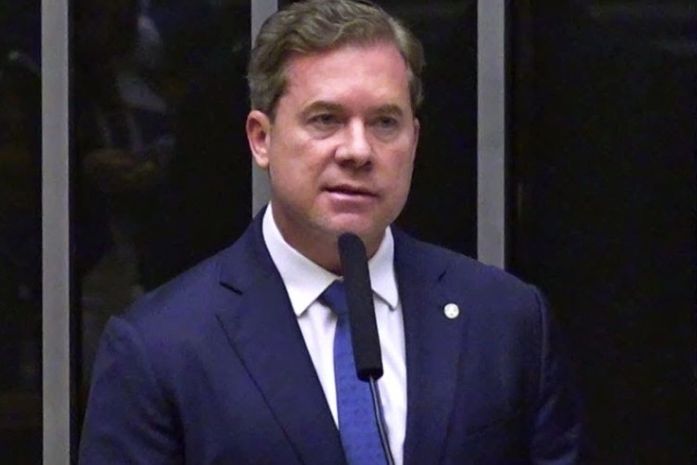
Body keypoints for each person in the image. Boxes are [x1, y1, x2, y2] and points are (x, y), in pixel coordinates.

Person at [79, 1, 582, 464]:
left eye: (384, 122)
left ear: (414, 141)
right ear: (261, 139)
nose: (358, 151)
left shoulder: (506, 321)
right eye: (326, 120)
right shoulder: (162, 346)